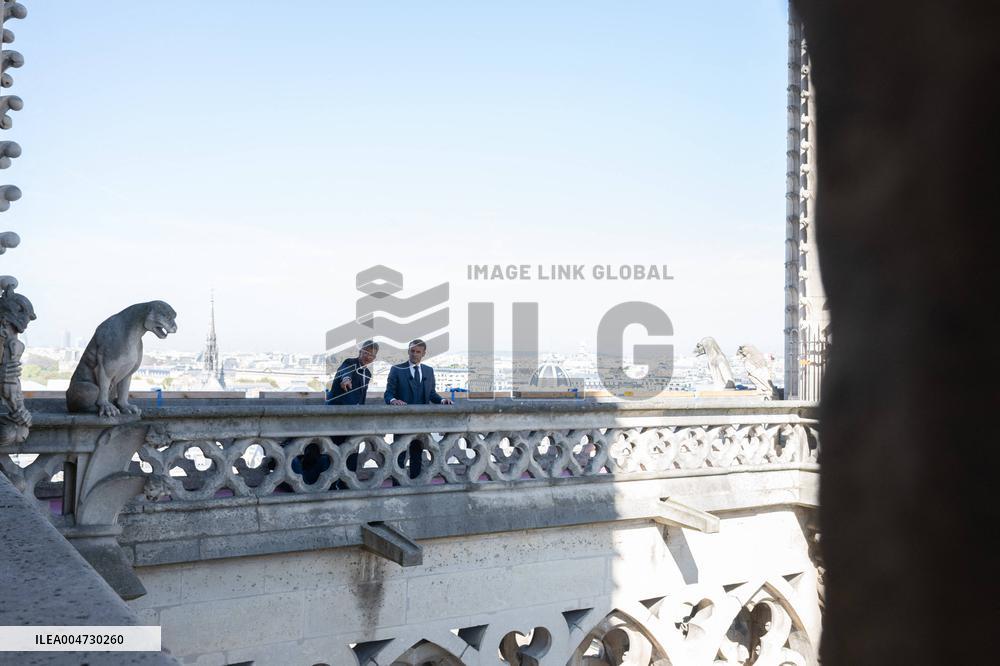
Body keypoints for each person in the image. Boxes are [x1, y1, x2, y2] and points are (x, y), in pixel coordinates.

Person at [384, 339, 452, 477]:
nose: (414, 354)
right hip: (401, 420)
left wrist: (442, 400)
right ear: (408, 351)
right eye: (412, 351)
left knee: (417, 453)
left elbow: (431, 394)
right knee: (399, 454)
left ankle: (415, 483)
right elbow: (388, 393)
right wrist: (393, 400)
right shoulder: (397, 369)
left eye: (418, 352)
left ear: (424, 353)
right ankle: (397, 485)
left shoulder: (428, 370)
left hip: (421, 421)